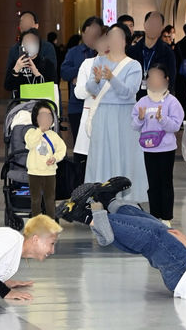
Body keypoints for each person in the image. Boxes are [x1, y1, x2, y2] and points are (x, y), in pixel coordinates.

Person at [84, 23, 148, 203]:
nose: (113, 40)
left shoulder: (133, 65)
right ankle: (99, 195)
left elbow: (128, 92)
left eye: (118, 37)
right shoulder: (99, 60)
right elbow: (90, 88)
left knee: (123, 154)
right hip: (103, 114)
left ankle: (124, 197)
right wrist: (96, 79)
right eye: (110, 37)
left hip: (124, 116)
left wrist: (112, 78)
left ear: (125, 41)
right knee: (101, 155)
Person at [131, 63, 183, 226]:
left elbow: (175, 126)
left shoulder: (172, 102)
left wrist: (162, 119)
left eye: (157, 77)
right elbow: (134, 126)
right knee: (152, 183)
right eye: (150, 77)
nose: (153, 81)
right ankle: (154, 215)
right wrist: (140, 118)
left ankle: (166, 216)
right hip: (149, 148)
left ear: (166, 79)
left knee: (165, 182)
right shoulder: (142, 101)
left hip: (166, 148)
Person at [73, 29, 110, 180]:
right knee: (85, 169)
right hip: (89, 121)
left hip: (110, 122)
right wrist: (93, 83)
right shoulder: (88, 64)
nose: (106, 44)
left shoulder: (121, 65)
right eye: (102, 40)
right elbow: (79, 93)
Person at [60, 16, 103, 142]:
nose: (92, 37)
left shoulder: (103, 54)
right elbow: (64, 73)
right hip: (77, 106)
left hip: (98, 106)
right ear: (83, 32)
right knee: (80, 145)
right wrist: (81, 71)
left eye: (96, 34)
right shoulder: (74, 52)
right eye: (90, 33)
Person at [25, 100, 66, 219]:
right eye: (42, 116)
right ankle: (36, 224)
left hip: (50, 172)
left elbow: (61, 149)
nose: (45, 119)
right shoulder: (31, 132)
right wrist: (40, 130)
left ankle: (50, 224)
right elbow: (31, 143)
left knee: (50, 200)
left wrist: (55, 158)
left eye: (48, 116)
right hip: (34, 172)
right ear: (35, 118)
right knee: (35, 200)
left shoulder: (54, 135)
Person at [127, 12, 177, 100]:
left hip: (157, 99)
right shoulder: (132, 51)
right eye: (151, 23)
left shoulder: (167, 52)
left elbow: (171, 80)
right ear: (144, 24)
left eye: (157, 24)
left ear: (161, 28)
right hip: (134, 99)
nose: (153, 27)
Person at [5, 11, 57, 82]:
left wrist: (35, 69)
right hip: (21, 91)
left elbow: (52, 74)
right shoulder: (14, 49)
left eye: (28, 22)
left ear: (36, 26)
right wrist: (16, 69)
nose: (25, 25)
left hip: (41, 90)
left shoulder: (47, 47)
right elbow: (8, 81)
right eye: (22, 22)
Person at [5, 28, 57, 96]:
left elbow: (52, 87)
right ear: (21, 45)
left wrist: (36, 72)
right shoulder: (16, 63)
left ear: (39, 45)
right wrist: (16, 70)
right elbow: (8, 87)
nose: (29, 44)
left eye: (33, 42)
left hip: (42, 103)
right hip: (20, 103)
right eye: (26, 41)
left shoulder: (47, 64)